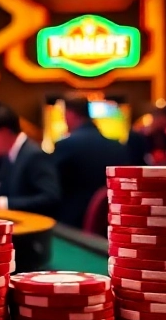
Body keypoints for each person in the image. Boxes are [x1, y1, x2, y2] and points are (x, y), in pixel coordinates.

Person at [0, 102, 60, 217]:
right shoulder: (10, 154)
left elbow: (50, 198)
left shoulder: (34, 155)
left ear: (3, 132)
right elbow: (8, 190)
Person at [51, 94, 128, 228]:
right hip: (113, 223)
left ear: (70, 114)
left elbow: (52, 187)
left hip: (72, 227)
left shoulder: (66, 145)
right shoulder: (118, 147)